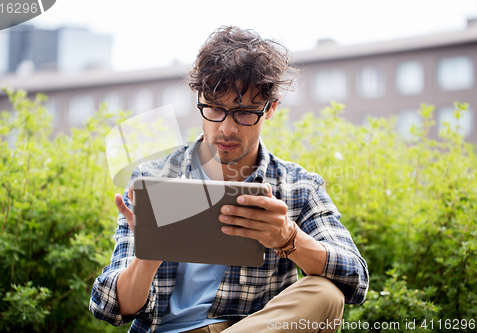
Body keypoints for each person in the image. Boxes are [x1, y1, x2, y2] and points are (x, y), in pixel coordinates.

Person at [90, 26, 369, 333]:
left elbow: (356, 279)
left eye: (244, 113)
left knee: (325, 295)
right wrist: (148, 259)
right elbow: (111, 309)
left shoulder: (297, 187)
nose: (226, 129)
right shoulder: (154, 179)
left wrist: (289, 239)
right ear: (200, 100)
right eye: (215, 109)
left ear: (270, 109)